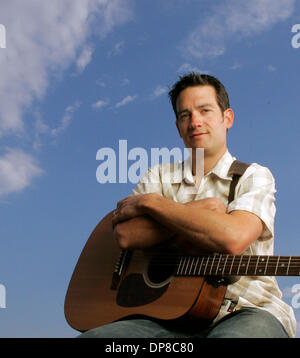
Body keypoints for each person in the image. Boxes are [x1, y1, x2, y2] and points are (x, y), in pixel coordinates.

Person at [78, 73, 296, 338]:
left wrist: (152, 205)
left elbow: (233, 237)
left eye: (205, 110)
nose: (195, 122)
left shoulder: (253, 176)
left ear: (227, 118)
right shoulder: (158, 177)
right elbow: (126, 235)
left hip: (246, 311)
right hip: (163, 317)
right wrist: (202, 210)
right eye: (185, 115)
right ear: (178, 126)